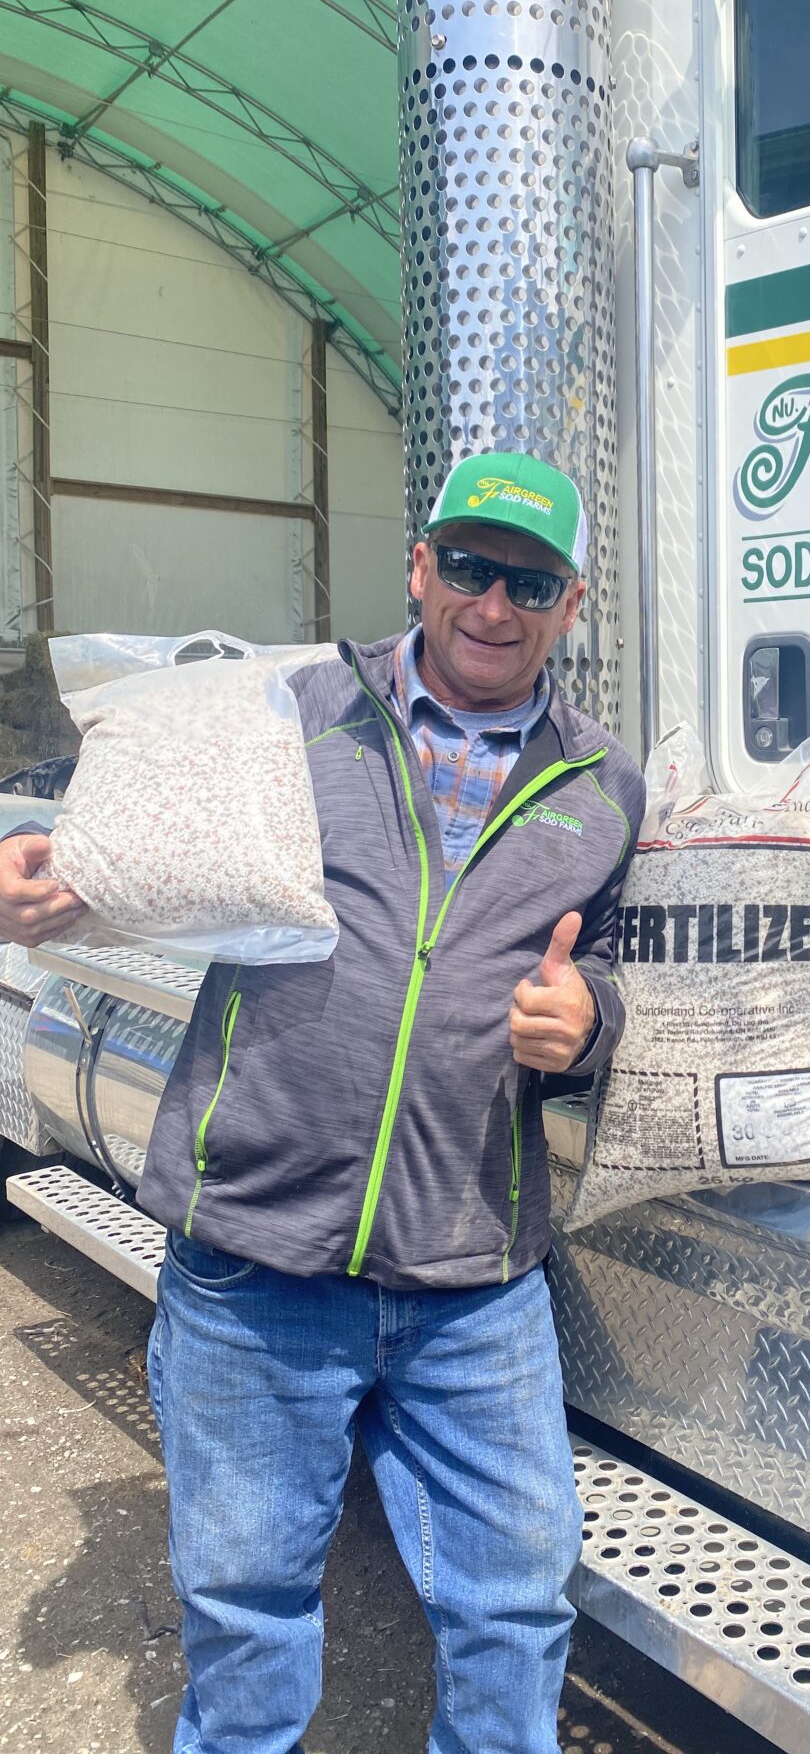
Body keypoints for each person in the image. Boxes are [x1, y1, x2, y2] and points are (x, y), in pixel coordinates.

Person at [0, 450, 645, 1754]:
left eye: (530, 581)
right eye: (468, 565)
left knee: (519, 1611)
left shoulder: (606, 787)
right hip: (257, 1257)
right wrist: (60, 886)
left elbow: (631, 983)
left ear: (570, 606)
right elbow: (139, 856)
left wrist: (593, 1025)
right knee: (246, 1613)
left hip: (475, 1282)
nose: (492, 603)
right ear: (420, 567)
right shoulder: (285, 710)